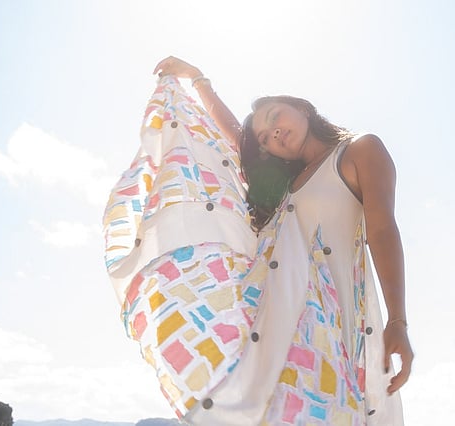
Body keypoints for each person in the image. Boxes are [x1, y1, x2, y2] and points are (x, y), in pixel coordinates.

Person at [103, 56, 413, 425]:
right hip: (273, 315)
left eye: (275, 117)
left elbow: (382, 230)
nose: (273, 134)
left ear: (301, 108)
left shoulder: (359, 150)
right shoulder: (285, 184)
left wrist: (398, 320)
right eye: (265, 138)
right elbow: (237, 138)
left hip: (331, 322)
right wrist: (199, 81)